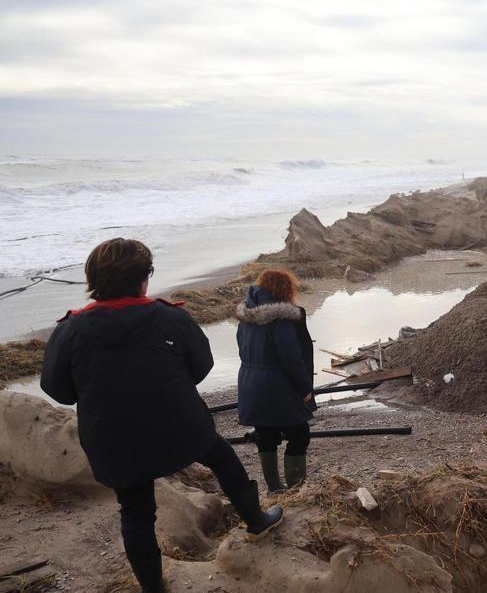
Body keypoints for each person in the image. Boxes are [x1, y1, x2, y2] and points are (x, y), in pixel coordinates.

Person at [41, 238, 282, 593]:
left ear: (93, 280)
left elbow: (57, 390)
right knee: (221, 456)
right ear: (144, 278)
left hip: (114, 442)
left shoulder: (70, 331)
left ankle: (152, 586)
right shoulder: (171, 318)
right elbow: (202, 366)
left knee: (135, 511)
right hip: (181, 429)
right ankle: (256, 519)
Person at [235, 268, 315, 493]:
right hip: (276, 386)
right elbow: (291, 358)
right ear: (284, 289)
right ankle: (296, 491)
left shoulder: (247, 316)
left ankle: (274, 488)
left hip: (250, 383)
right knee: (300, 435)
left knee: (266, 435)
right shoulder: (281, 318)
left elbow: (241, 347)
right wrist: (305, 389)